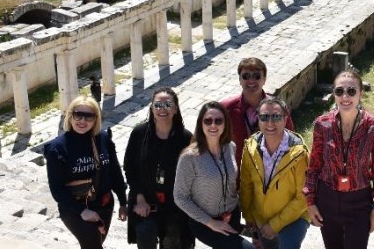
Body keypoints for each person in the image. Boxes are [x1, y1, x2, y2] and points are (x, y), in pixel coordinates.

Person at [303, 69, 374, 249]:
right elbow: (314, 167)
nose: (345, 96)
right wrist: (310, 202)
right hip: (327, 199)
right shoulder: (322, 124)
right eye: (339, 91)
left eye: (351, 91)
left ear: (360, 93)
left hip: (359, 203)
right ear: (334, 94)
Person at [44, 96, 128, 249]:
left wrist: (123, 201)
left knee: (96, 243)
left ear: (96, 119)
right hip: (74, 208)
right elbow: (57, 190)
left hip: (104, 203)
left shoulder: (102, 138)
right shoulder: (58, 148)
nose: (82, 121)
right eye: (78, 115)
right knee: (92, 244)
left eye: (89, 116)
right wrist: (82, 211)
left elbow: (114, 172)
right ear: (70, 116)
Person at [174, 101, 253, 249]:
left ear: (225, 124)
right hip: (205, 223)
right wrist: (210, 222)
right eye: (208, 120)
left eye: (218, 120)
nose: (213, 125)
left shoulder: (230, 147)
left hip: (232, 216)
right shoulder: (190, 157)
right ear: (201, 124)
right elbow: (180, 197)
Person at [124, 87, 194, 249]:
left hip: (175, 205)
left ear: (176, 109)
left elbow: (191, 175)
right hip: (145, 200)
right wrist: (139, 199)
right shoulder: (139, 134)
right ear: (151, 108)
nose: (163, 109)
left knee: (174, 241)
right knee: (145, 232)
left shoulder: (185, 138)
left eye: (168, 105)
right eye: (157, 105)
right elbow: (130, 167)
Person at [239, 96, 310, 249]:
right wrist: (249, 217)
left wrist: (274, 225)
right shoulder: (250, 148)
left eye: (276, 116)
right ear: (258, 119)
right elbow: (246, 186)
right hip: (261, 218)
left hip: (294, 217)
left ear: (285, 119)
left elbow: (303, 197)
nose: (270, 123)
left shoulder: (299, 153)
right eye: (264, 117)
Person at [221, 57, 295, 169]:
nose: (251, 80)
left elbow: (291, 140)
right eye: (246, 76)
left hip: (269, 172)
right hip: (236, 173)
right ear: (240, 80)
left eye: (256, 76)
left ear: (264, 79)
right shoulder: (226, 108)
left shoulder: (278, 108)